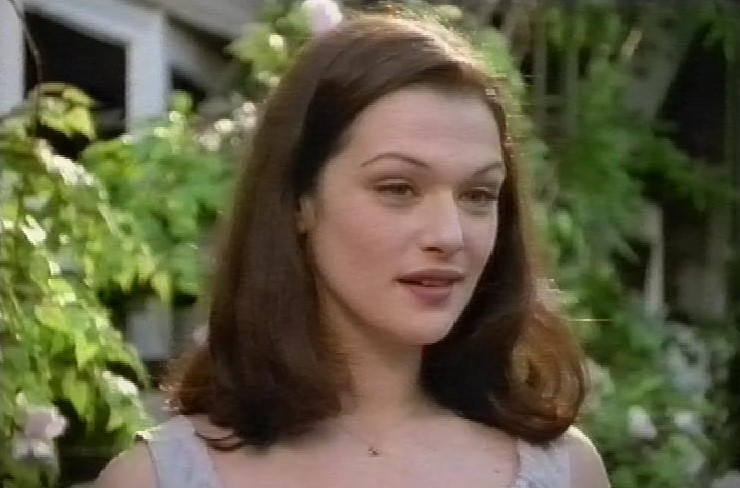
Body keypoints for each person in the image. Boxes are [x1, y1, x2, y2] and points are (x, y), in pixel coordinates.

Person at [97, 11, 610, 488]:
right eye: (398, 189)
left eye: (477, 195)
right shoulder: (158, 478)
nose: (449, 235)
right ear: (299, 201)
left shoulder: (564, 470)